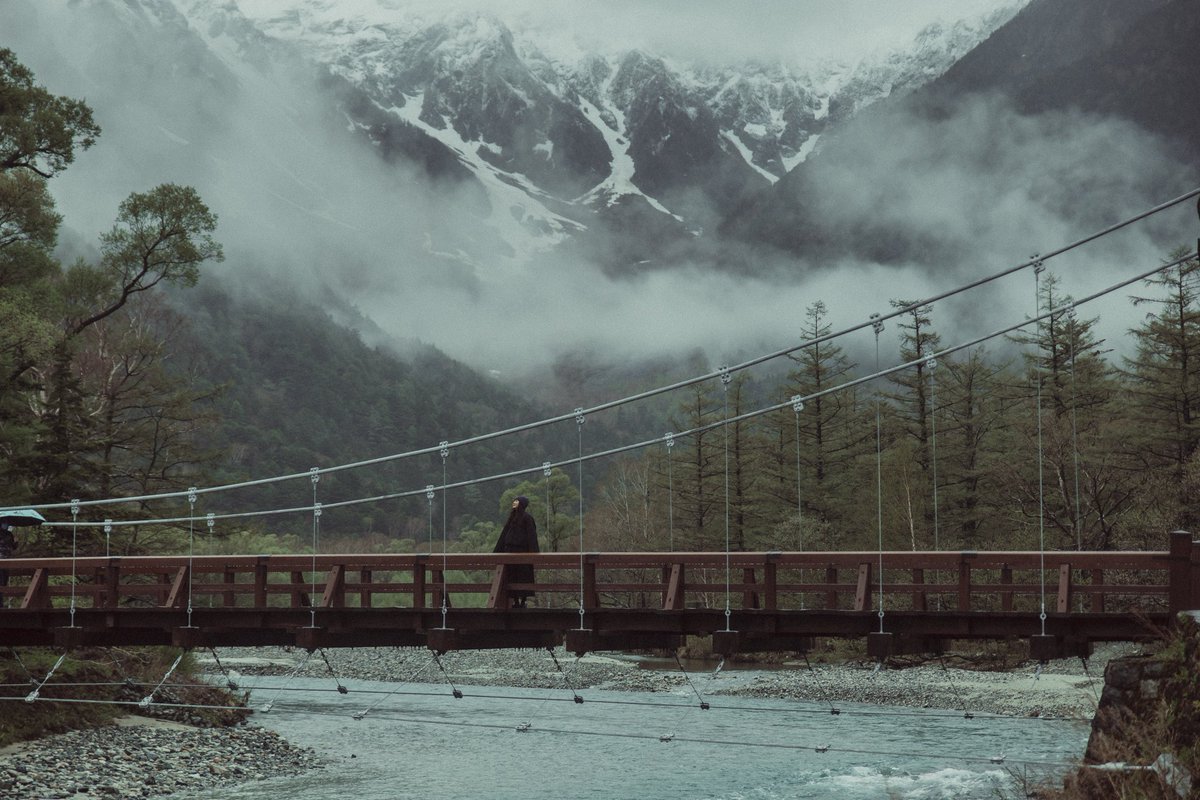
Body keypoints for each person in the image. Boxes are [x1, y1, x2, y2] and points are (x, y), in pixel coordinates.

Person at [493, 495, 539, 608]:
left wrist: (534, 554)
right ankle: (515, 601)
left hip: (523, 553)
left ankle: (523, 601)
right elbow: (503, 536)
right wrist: (496, 552)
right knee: (512, 577)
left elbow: (531, 537)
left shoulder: (527, 518)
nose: (514, 504)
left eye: (517, 502)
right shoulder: (511, 519)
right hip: (509, 552)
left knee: (523, 578)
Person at [0, 521, 14, 607]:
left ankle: (1, 605)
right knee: (2, 583)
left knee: (1, 584)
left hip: (4, 561)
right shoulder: (9, 534)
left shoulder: (8, 534)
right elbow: (13, 546)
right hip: (5, 561)